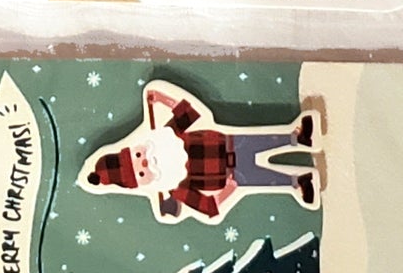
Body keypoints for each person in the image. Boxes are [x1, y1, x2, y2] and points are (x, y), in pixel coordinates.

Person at [84, 81, 320, 221]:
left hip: (231, 143)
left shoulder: (169, 137)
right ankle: (298, 182)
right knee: (267, 178)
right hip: (232, 176)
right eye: (142, 172)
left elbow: (188, 112)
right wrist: (227, 191)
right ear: (145, 183)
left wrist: (161, 98)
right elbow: (209, 208)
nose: (147, 162)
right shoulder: (177, 188)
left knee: (265, 141)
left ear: (136, 148)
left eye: (139, 157)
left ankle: (298, 138)